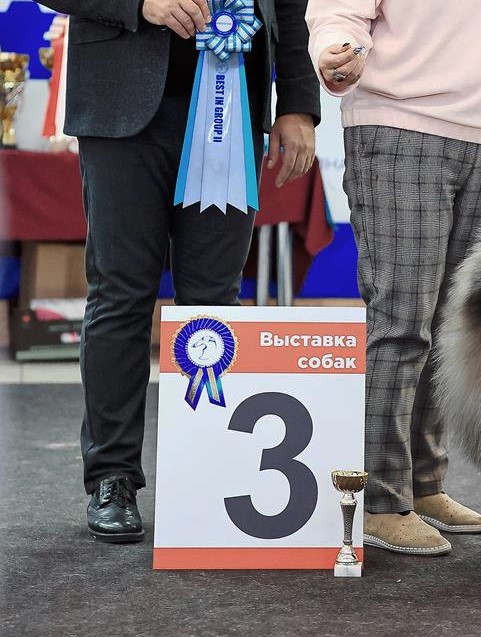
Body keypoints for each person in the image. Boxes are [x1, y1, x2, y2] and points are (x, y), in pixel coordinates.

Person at [38, 0, 320, 542]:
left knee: (214, 305)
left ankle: (212, 474)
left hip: (235, 108)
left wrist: (299, 103)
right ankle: (112, 477)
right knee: (120, 293)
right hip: (120, 107)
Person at [306, 1, 481, 556]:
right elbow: (339, 13)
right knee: (401, 322)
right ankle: (379, 502)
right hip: (400, 129)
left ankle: (423, 485)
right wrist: (333, 51)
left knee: (453, 326)